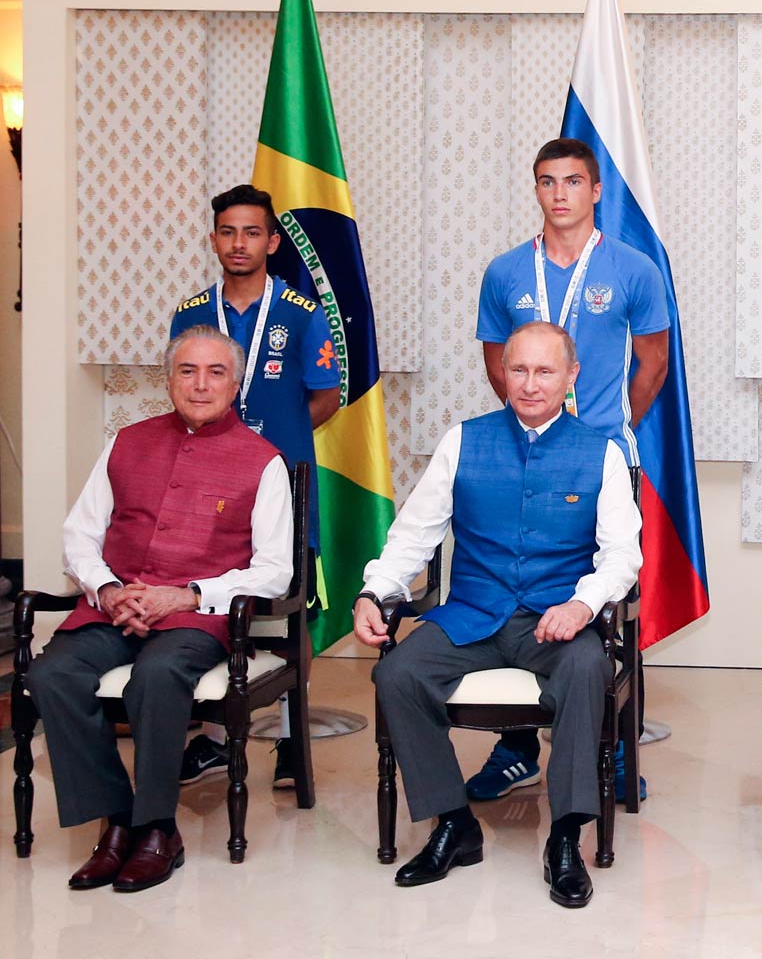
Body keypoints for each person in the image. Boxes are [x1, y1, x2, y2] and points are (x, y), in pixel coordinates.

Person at [351, 322, 641, 909]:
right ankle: (454, 823)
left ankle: (565, 836)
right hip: (473, 615)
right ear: (502, 373)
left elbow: (622, 556)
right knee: (398, 673)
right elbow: (414, 535)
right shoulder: (463, 441)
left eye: (545, 371)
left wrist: (581, 604)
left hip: (555, 620)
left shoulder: (602, 453)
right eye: (519, 370)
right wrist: (374, 592)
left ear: (570, 376)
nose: (530, 384)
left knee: (588, 669)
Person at [26, 326, 294, 893]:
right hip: (114, 608)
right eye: (187, 371)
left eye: (216, 373)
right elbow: (80, 535)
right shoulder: (126, 442)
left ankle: (157, 829)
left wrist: (189, 594)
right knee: (52, 674)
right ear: (168, 380)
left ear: (236, 384)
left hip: (195, 617)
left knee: (158, 673)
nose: (201, 385)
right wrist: (107, 588)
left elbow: (275, 570)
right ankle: (116, 821)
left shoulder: (263, 461)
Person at [469, 137, 669, 804]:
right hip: (524, 459)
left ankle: (614, 749)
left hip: (604, 459)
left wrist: (602, 433)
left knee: (607, 601)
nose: (560, 194)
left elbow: (654, 362)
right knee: (522, 590)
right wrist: (537, 426)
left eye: (573, 181)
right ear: (536, 189)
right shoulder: (505, 272)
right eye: (547, 181)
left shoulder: (635, 268)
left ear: (596, 190)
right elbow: (497, 363)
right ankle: (516, 749)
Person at [169, 183, 340, 790]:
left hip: (281, 483)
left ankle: (292, 741)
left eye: (251, 232)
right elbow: (185, 392)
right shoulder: (191, 313)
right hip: (206, 488)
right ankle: (217, 741)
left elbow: (326, 397)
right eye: (227, 231)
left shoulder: (301, 311)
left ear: (271, 241)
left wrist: (264, 451)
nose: (238, 243)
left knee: (292, 610)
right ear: (213, 239)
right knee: (211, 598)